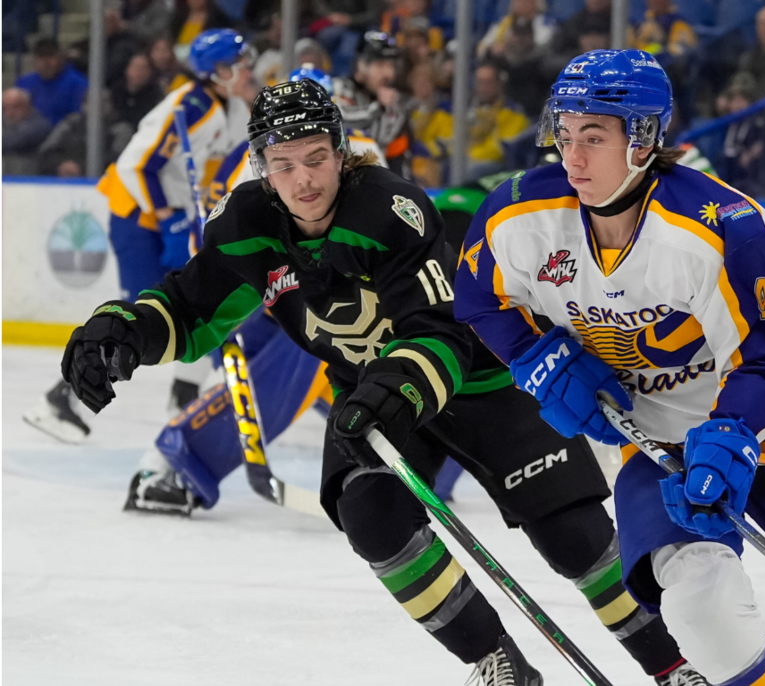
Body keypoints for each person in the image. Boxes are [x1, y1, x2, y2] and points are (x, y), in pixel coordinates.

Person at [60, 77, 706, 686]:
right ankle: (498, 662)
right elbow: (189, 306)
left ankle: (673, 666)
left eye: (315, 158)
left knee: (575, 538)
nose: (302, 179)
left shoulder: (388, 209)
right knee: (370, 516)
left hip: (478, 385)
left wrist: (391, 388)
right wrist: (120, 331)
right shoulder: (247, 226)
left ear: (341, 152)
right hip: (373, 399)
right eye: (283, 164)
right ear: (261, 165)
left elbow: (441, 332)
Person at [454, 48, 765, 686]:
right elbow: (477, 296)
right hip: (661, 440)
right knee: (700, 611)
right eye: (563, 135)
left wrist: (730, 432)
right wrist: (537, 357)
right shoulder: (518, 214)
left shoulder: (724, 228)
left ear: (642, 138)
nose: (572, 158)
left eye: (593, 137)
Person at [23, 29, 252, 444]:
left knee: (195, 304)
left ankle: (184, 402)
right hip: (137, 218)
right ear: (211, 71)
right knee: (140, 317)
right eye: (231, 64)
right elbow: (136, 165)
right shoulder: (194, 105)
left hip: (172, 220)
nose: (242, 70)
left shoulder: (227, 108)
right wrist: (167, 216)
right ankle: (64, 396)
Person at [333, 31, 411, 177]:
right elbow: (340, 121)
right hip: (337, 177)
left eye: (391, 66)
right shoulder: (339, 88)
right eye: (380, 65)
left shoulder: (396, 106)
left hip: (375, 181)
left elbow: (397, 157)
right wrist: (378, 108)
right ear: (361, 65)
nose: (388, 73)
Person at [466, 61, 530, 181]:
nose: (483, 88)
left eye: (488, 83)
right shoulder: (469, 110)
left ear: (498, 84)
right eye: (480, 83)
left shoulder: (512, 112)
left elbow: (504, 149)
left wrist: (473, 155)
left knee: (471, 170)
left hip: (497, 165)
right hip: (469, 159)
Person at [15, 37, 88, 128]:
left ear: (61, 57)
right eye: (41, 57)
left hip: (63, 138)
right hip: (26, 137)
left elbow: (79, 121)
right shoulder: (24, 83)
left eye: (51, 57)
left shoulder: (78, 84)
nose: (46, 63)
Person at [1, 87, 52, 175]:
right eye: (5, 107)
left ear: (27, 106)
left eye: (16, 107)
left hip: (29, 177)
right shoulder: (4, 121)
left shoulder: (40, 125)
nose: (10, 112)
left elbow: (18, 140)